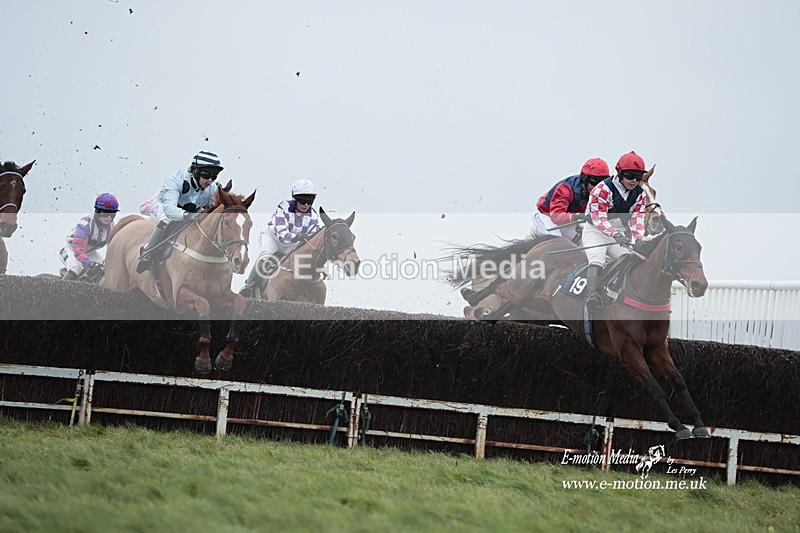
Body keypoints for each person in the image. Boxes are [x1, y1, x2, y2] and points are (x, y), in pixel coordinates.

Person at [136, 150, 223, 273]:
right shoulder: (177, 179)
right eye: (206, 175)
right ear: (195, 171)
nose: (210, 180)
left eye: (214, 176)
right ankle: (147, 254)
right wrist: (188, 215)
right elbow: (170, 210)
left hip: (186, 209)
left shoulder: (211, 188)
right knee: (166, 218)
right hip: (163, 205)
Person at [581, 151, 649, 306]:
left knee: (629, 259)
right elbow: (599, 218)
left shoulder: (640, 194)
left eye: (638, 178)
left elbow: (637, 219)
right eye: (630, 176)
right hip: (595, 230)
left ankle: (616, 293)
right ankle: (591, 297)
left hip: (616, 232)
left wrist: (639, 238)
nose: (634, 181)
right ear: (620, 173)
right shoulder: (602, 189)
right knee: (597, 259)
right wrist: (616, 234)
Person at [239, 179, 321, 297]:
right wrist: (298, 237)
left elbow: (314, 236)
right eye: (303, 201)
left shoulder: (313, 215)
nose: (306, 205)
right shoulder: (284, 207)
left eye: (310, 201)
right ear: (295, 199)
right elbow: (282, 233)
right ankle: (248, 285)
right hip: (273, 238)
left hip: (292, 244)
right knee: (265, 256)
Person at [532, 158, 610, 240]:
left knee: (585, 238)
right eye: (595, 182)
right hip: (546, 215)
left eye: (602, 182)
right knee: (557, 242)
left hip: (569, 217)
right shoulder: (566, 188)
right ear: (585, 180)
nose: (597, 187)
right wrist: (578, 216)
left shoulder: (604, 192)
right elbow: (556, 217)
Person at [60, 193, 119, 281]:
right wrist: (90, 263)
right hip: (72, 250)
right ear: (98, 211)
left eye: (112, 215)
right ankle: (60, 292)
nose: (109, 218)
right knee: (76, 268)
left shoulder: (112, 227)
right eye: (105, 214)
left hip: (90, 252)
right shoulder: (85, 224)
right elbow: (79, 251)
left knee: (105, 270)